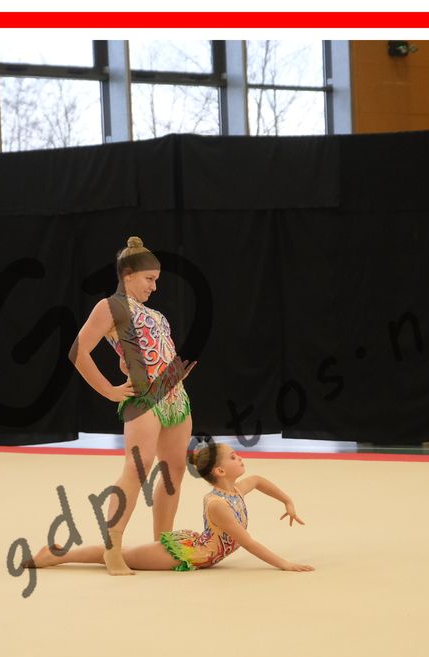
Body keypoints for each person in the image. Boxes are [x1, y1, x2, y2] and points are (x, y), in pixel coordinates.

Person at [65, 236, 196, 576]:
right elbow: (78, 351)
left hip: (175, 396)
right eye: (149, 279)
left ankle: (162, 544)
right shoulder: (111, 306)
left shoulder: (157, 315)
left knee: (174, 469)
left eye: (157, 280)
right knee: (137, 468)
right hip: (145, 397)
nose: (154, 286)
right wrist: (109, 390)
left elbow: (146, 352)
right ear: (128, 274)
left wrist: (175, 372)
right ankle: (112, 547)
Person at [30, 437, 314, 572]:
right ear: (220, 471)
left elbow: (260, 481)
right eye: (233, 457)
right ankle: (56, 556)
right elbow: (248, 542)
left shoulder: (236, 490)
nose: (240, 458)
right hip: (180, 554)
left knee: (124, 553)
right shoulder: (218, 505)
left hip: (196, 547)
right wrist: (284, 564)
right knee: (122, 555)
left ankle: (57, 554)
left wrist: (287, 501)